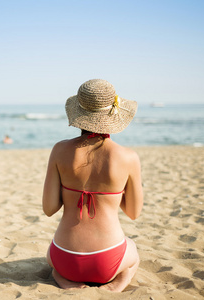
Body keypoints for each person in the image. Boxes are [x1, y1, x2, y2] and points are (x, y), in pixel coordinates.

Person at [42, 79, 143, 292]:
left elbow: (49, 209)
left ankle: (65, 280)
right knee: (133, 250)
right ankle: (117, 284)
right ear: (114, 115)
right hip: (107, 260)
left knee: (53, 264)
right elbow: (133, 212)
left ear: (78, 114)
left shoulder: (59, 150)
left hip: (64, 256)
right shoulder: (128, 157)